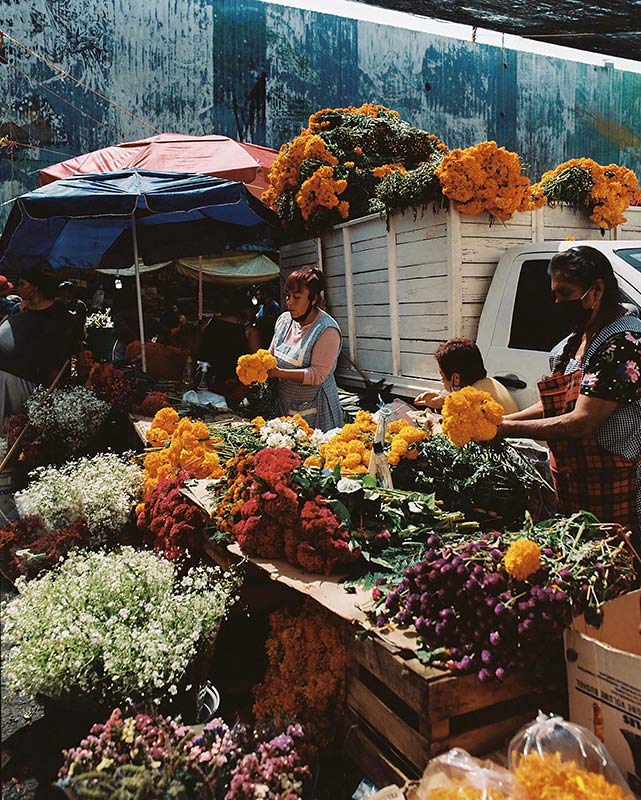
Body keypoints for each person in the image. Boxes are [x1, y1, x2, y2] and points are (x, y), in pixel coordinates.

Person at [496, 246, 641, 541]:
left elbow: (582, 421)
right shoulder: (571, 344)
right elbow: (555, 405)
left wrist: (505, 429)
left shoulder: (625, 342)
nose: (557, 301)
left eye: (565, 292)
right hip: (575, 487)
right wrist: (500, 418)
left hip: (617, 487)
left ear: (597, 290)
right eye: (555, 293)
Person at [268, 267, 343, 431]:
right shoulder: (284, 321)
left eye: (296, 297)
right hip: (285, 404)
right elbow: (270, 355)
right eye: (288, 296)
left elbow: (317, 375)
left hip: (315, 409)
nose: (290, 302)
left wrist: (279, 373)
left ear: (314, 299)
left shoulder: (326, 330)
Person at [0, 267, 81, 418]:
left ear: (36, 286)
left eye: (22, 284)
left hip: (43, 372)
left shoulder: (58, 311)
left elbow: (65, 342)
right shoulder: (19, 309)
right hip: (17, 370)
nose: (18, 288)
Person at [414, 337, 520, 414]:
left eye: (441, 374)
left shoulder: (468, 401)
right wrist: (443, 401)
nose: (441, 379)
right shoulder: (491, 382)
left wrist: (430, 421)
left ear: (456, 378)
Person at [197, 289, 260, 397]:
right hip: (234, 388)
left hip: (206, 384)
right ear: (245, 310)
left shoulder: (207, 325)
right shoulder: (248, 332)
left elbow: (197, 351)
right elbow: (259, 363)